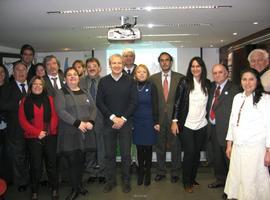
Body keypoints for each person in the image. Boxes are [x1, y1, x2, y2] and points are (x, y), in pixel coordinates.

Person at [224, 68, 270, 200]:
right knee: (237, 176)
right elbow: (232, 122)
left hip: (255, 148)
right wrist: (229, 144)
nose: (247, 83)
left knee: (252, 179)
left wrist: (269, 150)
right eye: (244, 79)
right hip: (238, 146)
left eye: (251, 79)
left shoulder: (265, 99)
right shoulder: (238, 97)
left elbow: (269, 125)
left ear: (257, 81)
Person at [96, 54, 137, 193]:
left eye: (119, 63)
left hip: (125, 123)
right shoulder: (103, 81)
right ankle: (110, 181)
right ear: (109, 64)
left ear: (123, 64)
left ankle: (126, 182)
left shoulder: (130, 81)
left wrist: (123, 118)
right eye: (114, 63)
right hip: (109, 123)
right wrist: (113, 117)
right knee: (109, 155)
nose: (117, 65)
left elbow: (134, 102)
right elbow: (99, 102)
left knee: (126, 155)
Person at [54, 67, 96, 200]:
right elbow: (61, 111)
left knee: (81, 161)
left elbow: (94, 108)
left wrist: (91, 121)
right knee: (72, 162)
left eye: (75, 75)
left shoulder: (85, 91)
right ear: (65, 79)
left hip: (84, 133)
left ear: (79, 78)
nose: (72, 77)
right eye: (69, 75)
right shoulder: (61, 93)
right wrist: (78, 123)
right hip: (69, 133)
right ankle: (75, 189)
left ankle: (79, 186)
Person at [171, 56, 210, 193]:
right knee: (190, 153)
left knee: (197, 154)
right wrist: (174, 121)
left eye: (198, 66)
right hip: (186, 125)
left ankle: (193, 179)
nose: (195, 69)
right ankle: (186, 182)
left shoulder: (208, 83)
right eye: (193, 66)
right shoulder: (185, 82)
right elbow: (177, 102)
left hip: (202, 125)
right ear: (190, 68)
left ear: (202, 68)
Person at [18, 76, 59, 200]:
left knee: (52, 164)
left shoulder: (50, 99)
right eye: (34, 84)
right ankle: (34, 190)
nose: (37, 86)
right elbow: (22, 121)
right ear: (31, 87)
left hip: (50, 136)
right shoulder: (24, 101)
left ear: (43, 86)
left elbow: (55, 117)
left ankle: (54, 188)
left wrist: (48, 131)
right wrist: (37, 133)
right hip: (33, 138)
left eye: (40, 84)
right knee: (35, 166)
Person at [149, 52, 183, 183]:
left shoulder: (180, 78)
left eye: (167, 60)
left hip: (175, 119)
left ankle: (175, 172)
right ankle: (161, 171)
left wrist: (178, 119)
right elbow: (151, 101)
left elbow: (183, 101)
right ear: (159, 62)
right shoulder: (152, 79)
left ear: (171, 62)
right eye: (162, 60)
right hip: (158, 119)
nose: (164, 62)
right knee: (159, 146)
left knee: (176, 146)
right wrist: (154, 119)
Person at [206, 64, 239, 199]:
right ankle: (220, 180)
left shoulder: (235, 89)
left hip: (227, 131)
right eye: (214, 73)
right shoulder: (212, 87)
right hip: (212, 129)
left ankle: (231, 188)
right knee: (217, 158)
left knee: (229, 160)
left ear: (227, 73)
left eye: (220, 72)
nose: (217, 75)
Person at [0, 62, 29, 192]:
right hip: (16, 128)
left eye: (24, 69)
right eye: (18, 70)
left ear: (27, 72)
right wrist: (18, 104)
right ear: (13, 73)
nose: (21, 72)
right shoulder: (6, 87)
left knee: (34, 155)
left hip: (34, 128)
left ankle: (34, 178)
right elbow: (2, 105)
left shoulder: (35, 85)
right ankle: (21, 181)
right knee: (19, 156)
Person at [80, 58, 106, 183]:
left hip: (102, 118)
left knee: (101, 145)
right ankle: (90, 172)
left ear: (99, 68)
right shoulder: (80, 82)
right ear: (86, 69)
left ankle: (102, 172)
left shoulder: (105, 81)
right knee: (89, 146)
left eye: (94, 66)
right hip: (86, 118)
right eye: (89, 66)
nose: (91, 68)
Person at [133, 64, 159, 186]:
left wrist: (156, 122)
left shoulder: (151, 86)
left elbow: (155, 105)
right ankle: (141, 173)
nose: (141, 74)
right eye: (139, 72)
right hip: (136, 122)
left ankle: (148, 173)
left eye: (144, 71)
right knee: (139, 149)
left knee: (148, 149)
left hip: (149, 121)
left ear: (147, 74)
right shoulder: (132, 86)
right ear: (135, 74)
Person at [0, 65, 12, 184]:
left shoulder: (9, 87)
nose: (0, 74)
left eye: (2, 72)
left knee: (7, 154)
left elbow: (12, 105)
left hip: (8, 126)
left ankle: (5, 181)